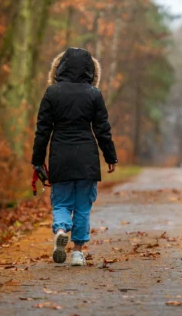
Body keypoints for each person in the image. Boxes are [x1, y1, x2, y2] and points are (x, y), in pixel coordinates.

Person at [31, 47, 118, 267]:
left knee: (61, 202)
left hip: (60, 155)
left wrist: (37, 160)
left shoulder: (52, 93)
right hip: (87, 158)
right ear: (91, 71)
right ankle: (78, 253)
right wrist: (110, 155)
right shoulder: (94, 94)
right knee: (82, 207)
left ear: (60, 68)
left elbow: (42, 130)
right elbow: (102, 128)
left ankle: (61, 229)